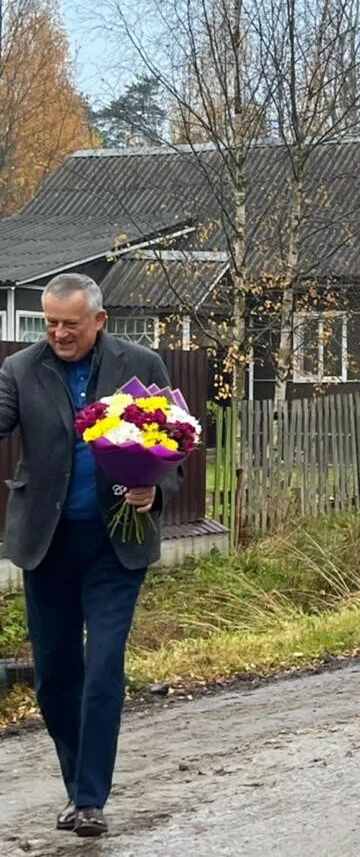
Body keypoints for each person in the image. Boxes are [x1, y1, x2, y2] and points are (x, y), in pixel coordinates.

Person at [0, 274, 180, 838]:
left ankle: (91, 800)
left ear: (98, 320)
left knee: (103, 668)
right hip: (46, 543)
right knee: (56, 675)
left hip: (114, 543)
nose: (58, 333)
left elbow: (172, 443)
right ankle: (78, 786)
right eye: (50, 322)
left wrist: (155, 488)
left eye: (69, 324)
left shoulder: (141, 363)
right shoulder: (21, 369)